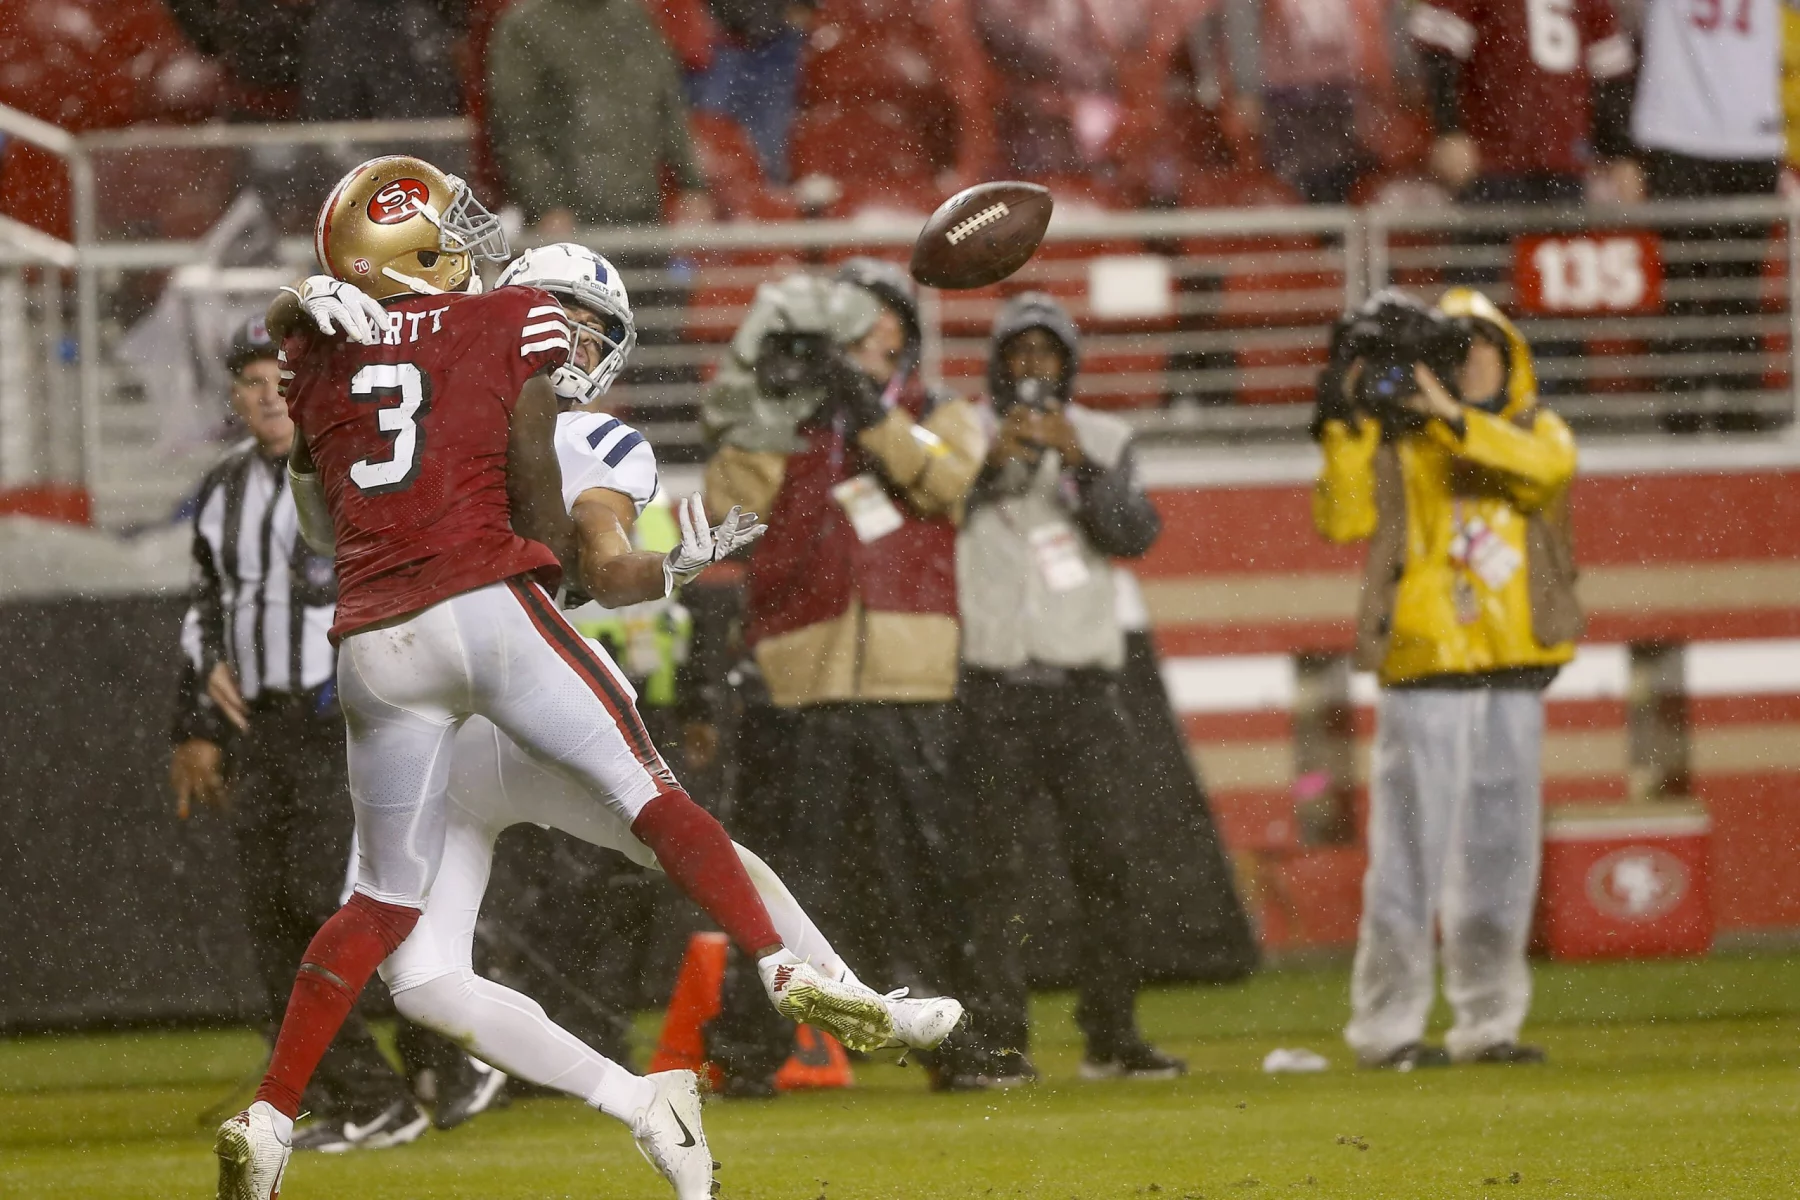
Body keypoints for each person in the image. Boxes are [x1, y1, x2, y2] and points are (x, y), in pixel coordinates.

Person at [213, 156, 890, 1200]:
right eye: (451, 231)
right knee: (654, 799)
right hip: (488, 615)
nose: (475, 245)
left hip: (375, 646)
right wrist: (571, 562)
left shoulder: (318, 355)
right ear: (411, 251)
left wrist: (293, 308)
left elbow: (318, 524)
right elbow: (542, 484)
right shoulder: (510, 320)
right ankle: (783, 964)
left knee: (382, 909)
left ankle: (271, 1113)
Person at [372, 243, 964, 1123]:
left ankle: (831, 986)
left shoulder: (587, 439)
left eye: (590, 330)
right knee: (417, 973)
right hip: (435, 697)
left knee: (677, 835)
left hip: (499, 678)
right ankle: (660, 1089)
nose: (573, 341)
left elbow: (603, 564)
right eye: (558, 317)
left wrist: (668, 566)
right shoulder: (424, 411)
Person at [170, 316, 497, 1152]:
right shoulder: (223, 490)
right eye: (250, 383)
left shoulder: (358, 468)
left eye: (279, 381)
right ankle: (389, 1079)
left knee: (338, 903)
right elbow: (206, 606)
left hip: (351, 722)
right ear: (234, 396)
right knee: (275, 917)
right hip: (266, 728)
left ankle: (443, 1053)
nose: (266, 397)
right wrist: (195, 721)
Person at [701, 263, 992, 1094]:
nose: (866, 339)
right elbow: (728, 512)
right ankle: (748, 1056)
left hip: (910, 679)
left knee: (926, 877)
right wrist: (769, 410)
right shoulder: (787, 421)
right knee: (787, 882)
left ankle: (961, 1047)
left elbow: (947, 478)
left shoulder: (940, 413)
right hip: (801, 678)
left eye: (880, 324)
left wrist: (867, 411)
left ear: (906, 337)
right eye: (853, 328)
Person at [1311, 289, 1582, 1069]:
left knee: (1503, 859)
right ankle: (1387, 1028)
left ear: (1509, 355)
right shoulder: (1398, 440)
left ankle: (1489, 1022)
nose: (1468, 366)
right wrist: (1344, 422)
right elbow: (1340, 518)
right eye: (1452, 353)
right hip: (1426, 662)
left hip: (1514, 662)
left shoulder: (1536, 429)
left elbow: (1543, 472)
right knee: (1408, 857)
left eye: (1480, 349)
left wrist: (1451, 416)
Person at [954, 292, 1184, 1084]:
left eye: (1046, 354)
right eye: (1019, 353)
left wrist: (1080, 461)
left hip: (1082, 689)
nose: (1032, 368)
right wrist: (989, 464)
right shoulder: (960, 433)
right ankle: (999, 1041)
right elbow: (932, 520)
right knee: (991, 873)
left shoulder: (1106, 437)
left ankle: (1112, 1037)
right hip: (990, 684)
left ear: (1068, 365)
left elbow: (1134, 533)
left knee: (1108, 864)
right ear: (997, 364)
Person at [1631, 0, 1784, 424]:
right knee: (1718, 284)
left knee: (1705, 284)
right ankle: (1722, 407)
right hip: (1716, 132)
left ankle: (1705, 407)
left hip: (1702, 133)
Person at [486, 0, 712, 234]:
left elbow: (667, 106)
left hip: (641, 213)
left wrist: (692, 184)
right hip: (568, 221)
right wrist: (545, 205)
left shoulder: (635, 19)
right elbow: (515, 129)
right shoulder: (525, 25)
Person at [1408, 0, 1638, 203]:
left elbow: (1610, 72)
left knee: (1556, 233)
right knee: (1492, 233)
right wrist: (1449, 129)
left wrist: (1619, 152)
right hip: (1491, 160)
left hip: (1564, 162)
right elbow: (1438, 48)